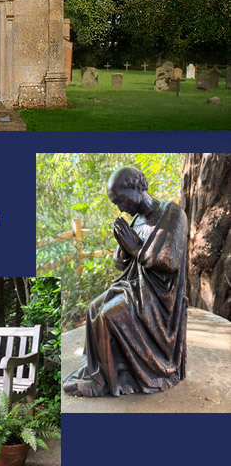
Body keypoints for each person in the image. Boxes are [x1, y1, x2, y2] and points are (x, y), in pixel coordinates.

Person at [63, 166, 188, 397]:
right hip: (136, 287)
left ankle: (103, 382)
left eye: (120, 200)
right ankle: (96, 370)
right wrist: (123, 247)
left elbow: (169, 261)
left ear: (137, 188)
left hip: (159, 299)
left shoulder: (171, 213)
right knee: (93, 307)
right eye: (116, 203)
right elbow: (120, 263)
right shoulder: (136, 220)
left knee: (108, 315)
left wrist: (136, 248)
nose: (120, 208)